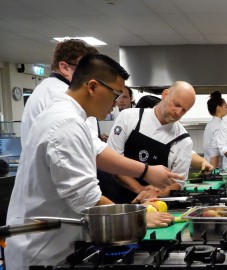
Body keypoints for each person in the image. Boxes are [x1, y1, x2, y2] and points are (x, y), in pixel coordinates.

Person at [5, 54, 175, 269]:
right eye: (114, 94)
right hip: (43, 253)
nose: (115, 104)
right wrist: (136, 220)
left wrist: (146, 171)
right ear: (93, 86)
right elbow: (86, 198)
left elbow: (98, 152)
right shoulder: (66, 123)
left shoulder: (70, 117)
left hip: (55, 246)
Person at [20, 39, 182, 192]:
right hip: (52, 208)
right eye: (115, 94)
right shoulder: (64, 111)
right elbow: (94, 154)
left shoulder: (54, 96)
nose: (115, 103)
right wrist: (146, 171)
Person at [106, 81, 196, 203]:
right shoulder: (128, 117)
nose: (178, 112)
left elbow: (178, 182)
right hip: (114, 199)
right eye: (176, 104)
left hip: (152, 204)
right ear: (165, 95)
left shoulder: (183, 140)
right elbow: (112, 161)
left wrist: (156, 193)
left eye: (184, 110)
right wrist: (139, 188)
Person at [204, 91, 227, 168]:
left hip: (208, 165)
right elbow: (215, 151)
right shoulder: (219, 126)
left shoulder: (209, 124)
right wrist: (213, 174)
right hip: (215, 170)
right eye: (226, 106)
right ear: (219, 108)